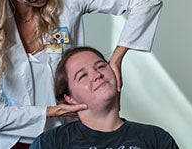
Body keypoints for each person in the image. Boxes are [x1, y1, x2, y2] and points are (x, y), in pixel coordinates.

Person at [0, 0, 162, 148]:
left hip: (59, 136)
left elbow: (145, 1)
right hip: (4, 140)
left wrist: (116, 60)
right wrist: (51, 112)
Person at [30, 46, 179, 149]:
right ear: (70, 99)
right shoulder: (51, 142)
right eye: (82, 75)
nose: (96, 75)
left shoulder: (156, 138)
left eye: (101, 66)